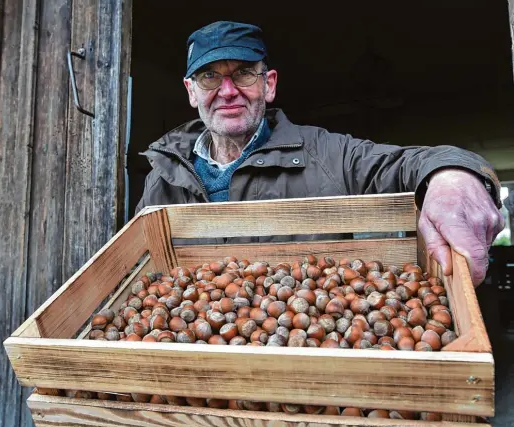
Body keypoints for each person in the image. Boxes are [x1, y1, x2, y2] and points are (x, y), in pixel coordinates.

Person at [136, 21, 505, 286]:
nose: (228, 90)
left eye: (244, 73)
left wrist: (455, 176)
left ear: (269, 85)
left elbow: (407, 163)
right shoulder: (165, 172)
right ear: (191, 91)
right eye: (210, 77)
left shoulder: (329, 153)